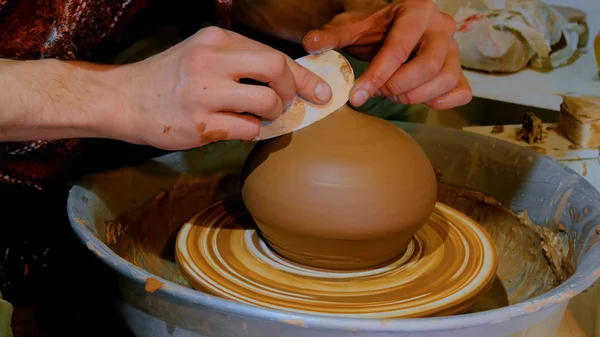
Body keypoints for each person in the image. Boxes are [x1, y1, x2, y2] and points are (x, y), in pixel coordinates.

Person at [0, 0, 472, 334]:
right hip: (29, 153)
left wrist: (343, 12)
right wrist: (114, 95)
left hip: (170, 84)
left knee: (395, 115)